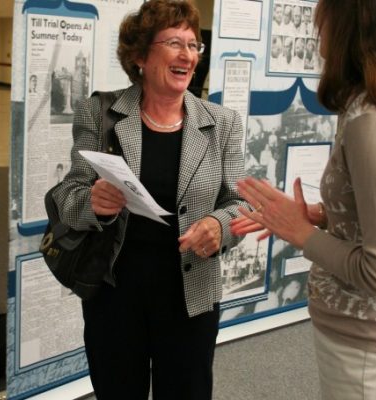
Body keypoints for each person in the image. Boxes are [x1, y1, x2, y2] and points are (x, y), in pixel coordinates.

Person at [230, 1, 376, 399]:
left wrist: (300, 233)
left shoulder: (373, 120)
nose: (319, 35)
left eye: (324, 18)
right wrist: (324, 217)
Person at [51, 1, 247, 398]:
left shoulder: (222, 123)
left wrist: (219, 226)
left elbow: (240, 203)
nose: (188, 55)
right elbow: (66, 196)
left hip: (191, 293)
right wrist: (94, 201)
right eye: (175, 42)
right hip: (115, 293)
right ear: (140, 55)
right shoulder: (100, 112)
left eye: (194, 45)